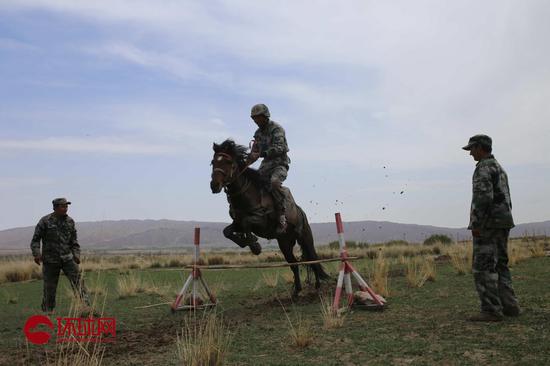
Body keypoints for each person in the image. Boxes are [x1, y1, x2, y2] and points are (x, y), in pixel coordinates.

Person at [463, 134, 520, 322]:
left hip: (488, 225)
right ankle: (509, 306)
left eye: (472, 148)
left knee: (484, 266)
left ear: (481, 147)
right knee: (501, 264)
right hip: (503, 223)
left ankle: (491, 310)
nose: (470, 153)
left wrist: (477, 224)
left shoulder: (483, 168)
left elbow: (483, 199)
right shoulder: (499, 168)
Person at [30, 198, 90, 313]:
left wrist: (76, 255)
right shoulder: (45, 221)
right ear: (55, 208)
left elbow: (74, 241)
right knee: (50, 288)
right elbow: (35, 240)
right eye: (63, 206)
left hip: (68, 259)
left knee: (78, 282)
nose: (65, 208)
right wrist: (37, 254)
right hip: (50, 260)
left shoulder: (70, 221)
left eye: (66, 206)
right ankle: (48, 310)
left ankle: (86, 307)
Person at [246, 103, 290, 234]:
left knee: (274, 182)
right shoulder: (257, 134)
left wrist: (263, 154)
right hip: (266, 166)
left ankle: (281, 215)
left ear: (265, 116)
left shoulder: (277, 129)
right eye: (254, 118)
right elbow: (255, 152)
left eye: (258, 117)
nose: (256, 121)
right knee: (252, 183)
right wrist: (245, 163)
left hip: (279, 164)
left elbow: (280, 147)